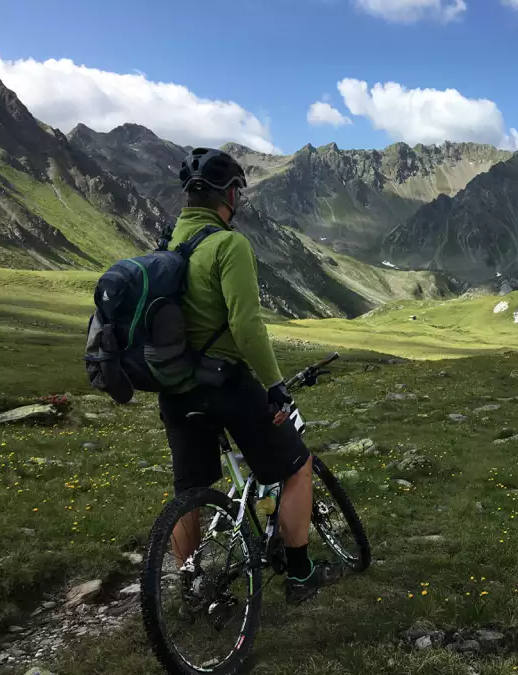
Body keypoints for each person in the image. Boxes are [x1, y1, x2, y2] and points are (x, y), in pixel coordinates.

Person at [158, 147, 341, 605]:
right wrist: (275, 386)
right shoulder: (228, 244)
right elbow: (245, 325)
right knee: (297, 468)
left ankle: (193, 586)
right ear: (229, 194)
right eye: (236, 190)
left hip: (176, 388)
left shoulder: (167, 247)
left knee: (192, 491)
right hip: (225, 384)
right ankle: (300, 576)